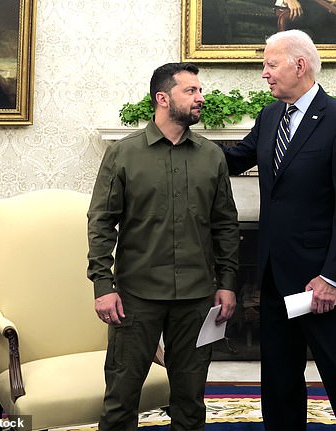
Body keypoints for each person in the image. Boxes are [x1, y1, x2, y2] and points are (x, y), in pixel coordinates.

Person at [221, 30, 336, 430]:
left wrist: (331, 278)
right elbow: (235, 159)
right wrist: (181, 141)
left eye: (270, 64)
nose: (264, 74)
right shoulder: (270, 116)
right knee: (278, 382)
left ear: (300, 65)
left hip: (321, 284)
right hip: (275, 278)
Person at [87, 62, 239, 431]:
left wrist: (228, 283)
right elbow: (101, 222)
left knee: (190, 400)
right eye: (191, 91)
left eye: (200, 91)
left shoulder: (211, 156)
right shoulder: (123, 154)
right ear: (162, 98)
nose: (201, 98)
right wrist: (103, 287)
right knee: (121, 398)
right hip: (136, 298)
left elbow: (225, 224)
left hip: (197, 298)